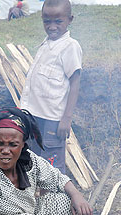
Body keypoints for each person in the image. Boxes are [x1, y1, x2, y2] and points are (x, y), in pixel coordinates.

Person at [20, 0, 81, 174]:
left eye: (58, 21)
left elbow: (75, 82)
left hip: (53, 121)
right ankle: (37, 198)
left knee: (52, 166)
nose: (52, 26)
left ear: (70, 20)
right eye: (47, 21)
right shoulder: (46, 44)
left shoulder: (70, 47)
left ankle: (54, 200)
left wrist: (66, 118)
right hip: (35, 117)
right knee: (35, 160)